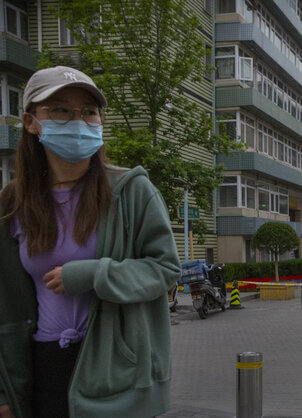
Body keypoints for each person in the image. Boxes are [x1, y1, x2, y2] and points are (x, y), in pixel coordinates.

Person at [0, 66, 181, 418]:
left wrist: (94, 275)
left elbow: (164, 268)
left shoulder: (132, 191)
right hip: (41, 368)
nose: (78, 120)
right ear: (31, 122)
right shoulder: (12, 203)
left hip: (113, 367)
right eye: (61, 110)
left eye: (89, 111)